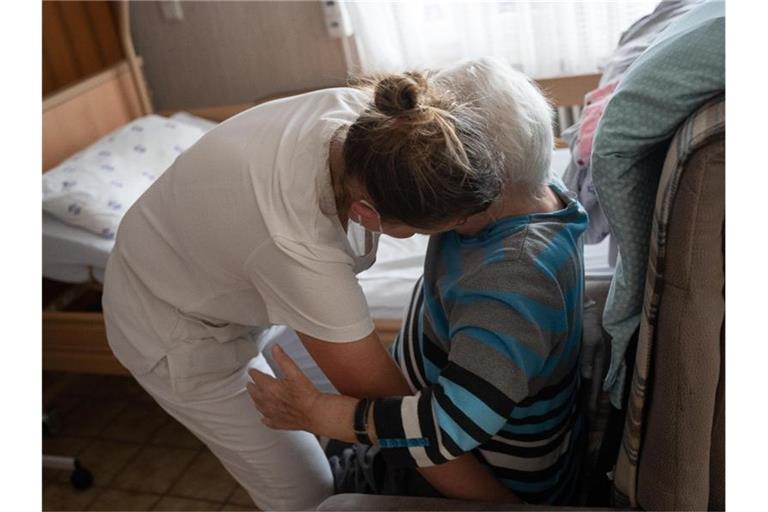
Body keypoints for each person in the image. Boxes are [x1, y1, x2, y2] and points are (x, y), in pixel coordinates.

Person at [101, 60, 520, 510]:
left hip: (222, 265)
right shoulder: (297, 244)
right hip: (173, 326)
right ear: (367, 215)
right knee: (309, 493)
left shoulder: (387, 123)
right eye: (425, 231)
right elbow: (399, 416)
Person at [247, 58, 589, 505]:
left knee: (319, 487)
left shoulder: (514, 280)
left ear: (481, 177)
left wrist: (319, 413)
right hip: (443, 426)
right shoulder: (541, 196)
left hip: (479, 473)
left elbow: (448, 429)